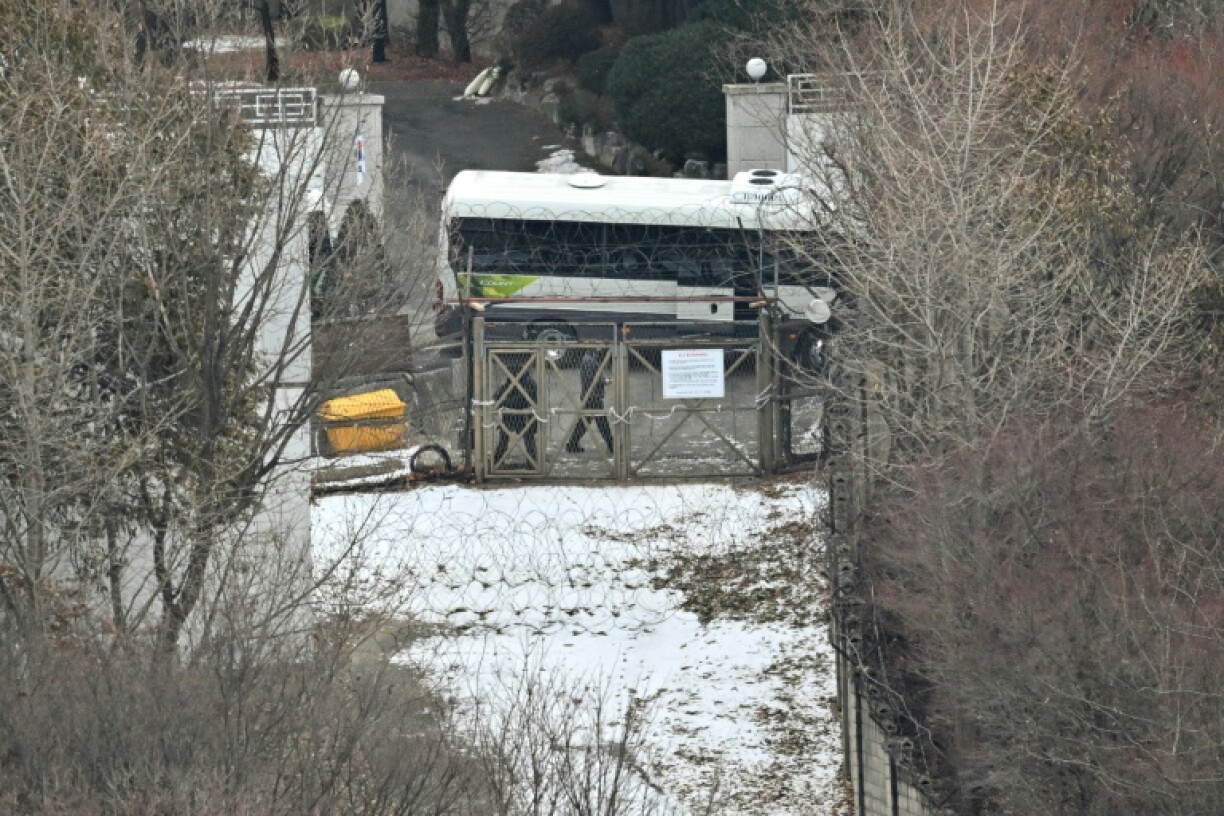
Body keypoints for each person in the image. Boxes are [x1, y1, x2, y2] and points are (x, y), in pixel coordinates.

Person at [493, 354, 538, 468]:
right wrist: (500, 398)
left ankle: (532, 462)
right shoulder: (512, 380)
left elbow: (522, 400)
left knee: (528, 439)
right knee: (503, 438)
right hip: (511, 415)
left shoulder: (528, 382)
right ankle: (497, 461)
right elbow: (499, 393)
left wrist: (504, 402)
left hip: (524, 416)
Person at [566, 350, 613, 455]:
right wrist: (604, 381)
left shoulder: (590, 359)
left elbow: (591, 377)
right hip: (592, 397)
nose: (600, 348)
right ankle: (611, 445)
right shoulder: (589, 361)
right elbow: (590, 379)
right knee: (602, 422)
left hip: (590, 396)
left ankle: (572, 444)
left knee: (583, 423)